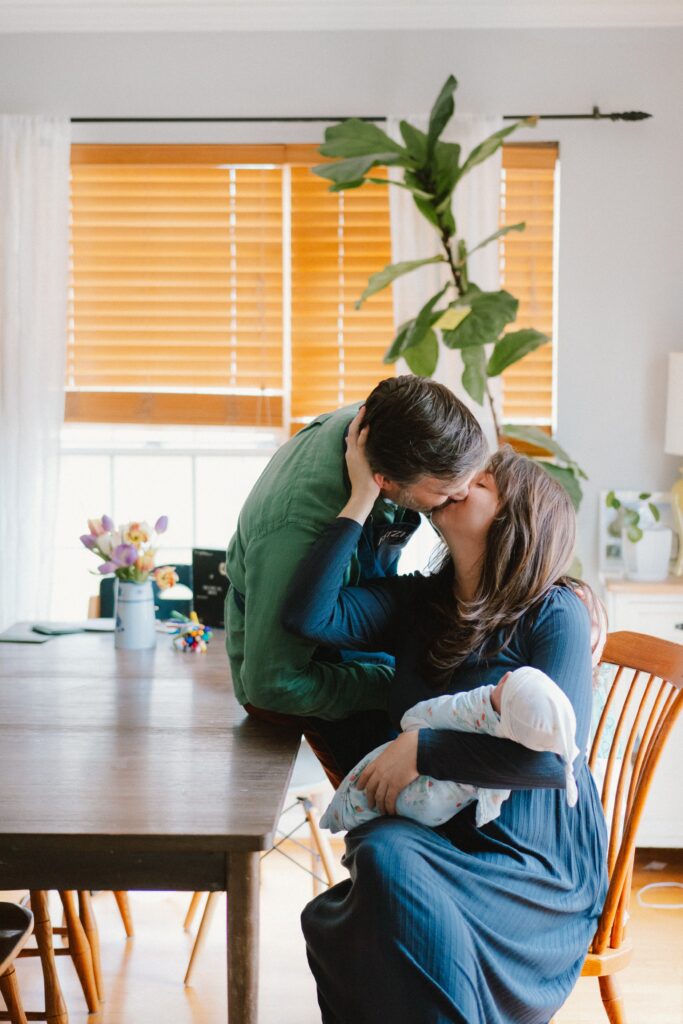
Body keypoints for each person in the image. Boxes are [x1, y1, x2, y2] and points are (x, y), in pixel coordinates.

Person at [282, 419, 609, 1024]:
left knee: (380, 884)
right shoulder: (419, 604)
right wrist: (363, 496)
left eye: (482, 481)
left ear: (517, 519)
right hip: (439, 841)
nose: (461, 484)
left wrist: (422, 750)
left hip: (531, 863)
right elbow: (308, 614)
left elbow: (552, 761)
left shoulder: (553, 611)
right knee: (379, 854)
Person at [225, 375, 487, 786]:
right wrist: (391, 684)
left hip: (354, 622)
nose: (461, 497)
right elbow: (270, 684)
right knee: (404, 791)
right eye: (445, 493)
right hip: (298, 673)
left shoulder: (380, 427)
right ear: (385, 479)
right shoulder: (297, 530)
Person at [319, 665, 580, 833]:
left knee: (369, 796)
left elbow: (419, 716)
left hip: (423, 802)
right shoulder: (510, 748)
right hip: (436, 815)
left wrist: (421, 743)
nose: (506, 676)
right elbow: (494, 795)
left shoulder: (473, 707)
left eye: (507, 686)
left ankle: (343, 815)